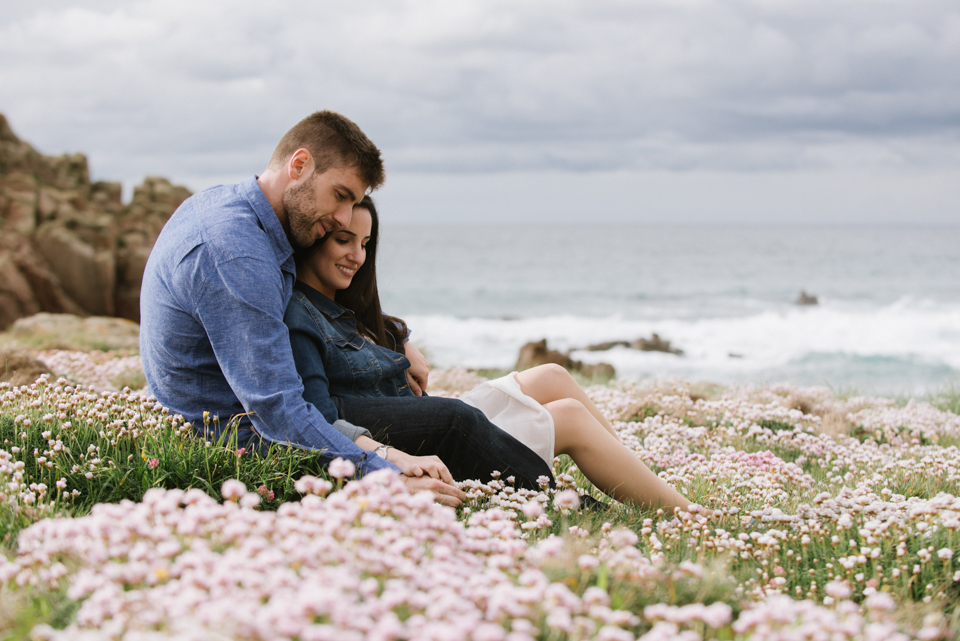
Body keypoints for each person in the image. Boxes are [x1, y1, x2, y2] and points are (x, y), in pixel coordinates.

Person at [140, 110, 555, 507]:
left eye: (352, 203)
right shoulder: (235, 253)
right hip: (243, 452)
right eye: (340, 196)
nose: (342, 218)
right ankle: (561, 503)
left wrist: (397, 340)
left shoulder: (234, 213)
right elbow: (276, 409)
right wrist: (383, 477)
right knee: (451, 420)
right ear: (299, 164)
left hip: (267, 429)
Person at [286, 195, 702, 513]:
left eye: (364, 243)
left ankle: (641, 478)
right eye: (344, 240)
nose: (357, 256)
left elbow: (378, 332)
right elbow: (320, 415)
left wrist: (401, 337)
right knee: (570, 416)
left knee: (553, 375)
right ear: (313, 236)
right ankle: (687, 514)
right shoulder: (299, 317)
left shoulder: (345, 307)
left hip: (431, 420)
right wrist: (393, 458)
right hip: (425, 445)